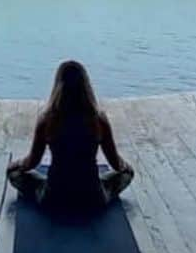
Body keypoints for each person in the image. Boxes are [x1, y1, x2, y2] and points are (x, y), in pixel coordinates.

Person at [7, 59, 133, 214]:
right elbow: (116, 164)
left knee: (13, 173)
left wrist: (17, 163)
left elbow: (31, 163)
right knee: (128, 173)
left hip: (53, 199)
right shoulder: (98, 120)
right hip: (92, 199)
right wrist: (125, 166)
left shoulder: (47, 120)